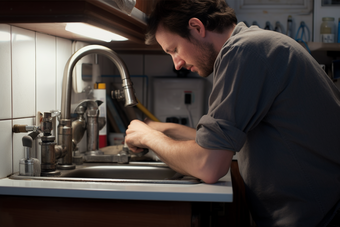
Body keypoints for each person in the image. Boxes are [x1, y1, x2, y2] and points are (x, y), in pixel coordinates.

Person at [124, 0, 340, 226]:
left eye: (174, 49)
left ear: (197, 27)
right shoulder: (252, 46)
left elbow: (209, 165)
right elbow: (217, 141)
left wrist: (149, 137)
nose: (176, 64)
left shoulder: (243, 51)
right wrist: (164, 129)